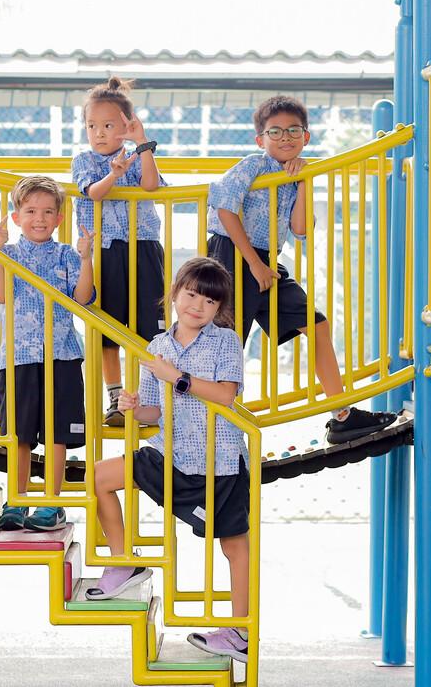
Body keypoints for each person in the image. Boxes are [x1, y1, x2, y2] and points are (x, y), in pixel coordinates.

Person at [206, 95, 396, 444]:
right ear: (260, 140)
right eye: (274, 132)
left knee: (316, 322)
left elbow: (301, 229)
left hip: (265, 261)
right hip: (232, 257)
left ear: (306, 136)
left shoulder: (296, 174)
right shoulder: (253, 166)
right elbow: (224, 210)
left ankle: (342, 415)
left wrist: (306, 181)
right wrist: (254, 264)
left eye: (293, 130)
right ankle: (213, 428)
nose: (285, 138)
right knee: (225, 345)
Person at [88, 257, 250, 663]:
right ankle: (124, 563)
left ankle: (239, 632)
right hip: (169, 451)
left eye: (209, 302)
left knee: (234, 547)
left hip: (220, 460)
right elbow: (154, 412)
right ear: (175, 293)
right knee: (100, 477)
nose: (198, 306)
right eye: (191, 295)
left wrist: (174, 375)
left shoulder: (225, 341)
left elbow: (226, 395)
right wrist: (132, 406)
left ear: (218, 309)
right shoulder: (157, 347)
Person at [0, 175, 95, 532]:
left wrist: (86, 256)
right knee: (20, 434)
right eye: (30, 210)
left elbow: (82, 298)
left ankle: (51, 502)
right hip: (18, 358)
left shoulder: (66, 254)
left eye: (48, 211)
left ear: (59, 218)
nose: (40, 218)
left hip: (62, 354)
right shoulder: (11, 254)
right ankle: (17, 500)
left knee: (58, 432)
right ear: (16, 217)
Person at [70, 76, 165, 427]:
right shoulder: (84, 160)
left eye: (108, 125)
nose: (98, 133)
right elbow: (93, 192)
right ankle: (114, 396)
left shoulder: (139, 155)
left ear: (126, 125)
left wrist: (143, 144)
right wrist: (113, 176)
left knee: (150, 329)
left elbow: (151, 185)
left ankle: (146, 400)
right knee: (108, 327)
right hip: (106, 249)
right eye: (91, 125)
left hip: (145, 247)